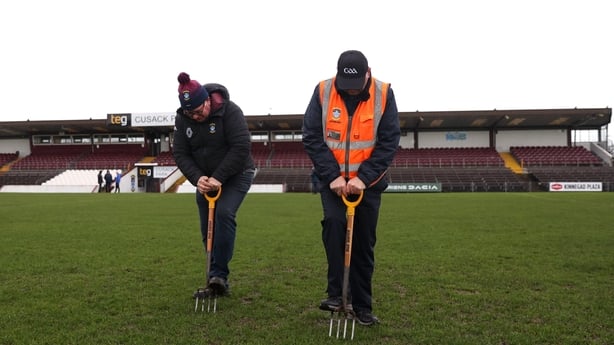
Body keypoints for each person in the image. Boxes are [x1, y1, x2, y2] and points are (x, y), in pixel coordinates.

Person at [302, 50, 401, 326]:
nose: (352, 90)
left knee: (363, 244)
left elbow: (389, 141)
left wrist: (363, 178)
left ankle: (362, 306)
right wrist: (333, 176)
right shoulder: (323, 91)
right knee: (334, 226)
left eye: (357, 83)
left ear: (368, 72)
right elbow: (311, 135)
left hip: (367, 184)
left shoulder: (384, 94)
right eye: (347, 85)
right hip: (332, 182)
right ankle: (336, 294)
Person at [173, 72, 255, 297]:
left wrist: (218, 177)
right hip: (205, 179)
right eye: (191, 113)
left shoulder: (230, 111)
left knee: (224, 214)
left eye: (199, 111)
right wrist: (197, 177)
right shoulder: (182, 119)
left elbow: (241, 147)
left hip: (237, 173)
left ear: (207, 100)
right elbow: (180, 153)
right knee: (206, 226)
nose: (196, 117)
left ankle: (219, 276)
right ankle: (214, 277)